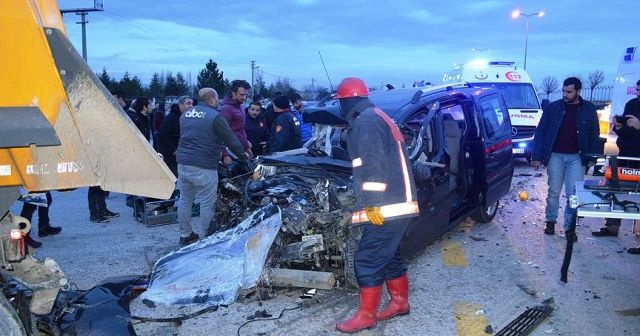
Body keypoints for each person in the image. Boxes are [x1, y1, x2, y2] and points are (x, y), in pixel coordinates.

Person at [333, 77, 419, 333]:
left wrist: (371, 204)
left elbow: (373, 165)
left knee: (368, 259)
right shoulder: (378, 115)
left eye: (341, 103)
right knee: (388, 255)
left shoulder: (366, 121)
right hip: (399, 203)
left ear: (346, 101)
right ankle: (400, 302)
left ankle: (367, 316)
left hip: (386, 206)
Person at [176, 88, 252, 246]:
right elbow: (231, 140)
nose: (219, 101)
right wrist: (244, 157)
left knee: (185, 199)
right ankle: (207, 239)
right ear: (211, 100)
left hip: (183, 163)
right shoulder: (215, 116)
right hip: (204, 164)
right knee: (207, 202)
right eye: (217, 98)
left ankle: (185, 234)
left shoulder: (185, 114)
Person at [531, 77, 602, 240]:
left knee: (573, 193)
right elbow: (541, 131)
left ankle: (570, 227)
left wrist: (592, 158)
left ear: (578, 91)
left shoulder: (588, 109)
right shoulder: (553, 108)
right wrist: (536, 156)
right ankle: (550, 221)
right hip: (555, 155)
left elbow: (594, 135)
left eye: (569, 92)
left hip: (577, 157)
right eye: (563, 91)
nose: (565, 94)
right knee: (554, 191)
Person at [592, 79, 640, 253]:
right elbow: (628, 131)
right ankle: (611, 226)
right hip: (626, 154)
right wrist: (618, 127)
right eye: (637, 90)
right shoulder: (632, 104)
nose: (638, 94)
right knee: (615, 189)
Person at [158, 96, 193, 177]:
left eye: (192, 103)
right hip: (170, 156)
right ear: (180, 105)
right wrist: (174, 150)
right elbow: (162, 135)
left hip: (181, 155)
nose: (191, 106)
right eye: (188, 103)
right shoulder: (172, 117)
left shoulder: (185, 116)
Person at [220, 80, 253, 165]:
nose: (244, 97)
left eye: (246, 94)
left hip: (241, 147)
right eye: (241, 94)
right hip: (230, 151)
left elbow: (240, 129)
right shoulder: (226, 108)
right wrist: (225, 154)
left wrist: (246, 145)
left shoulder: (241, 106)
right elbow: (221, 133)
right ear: (233, 93)